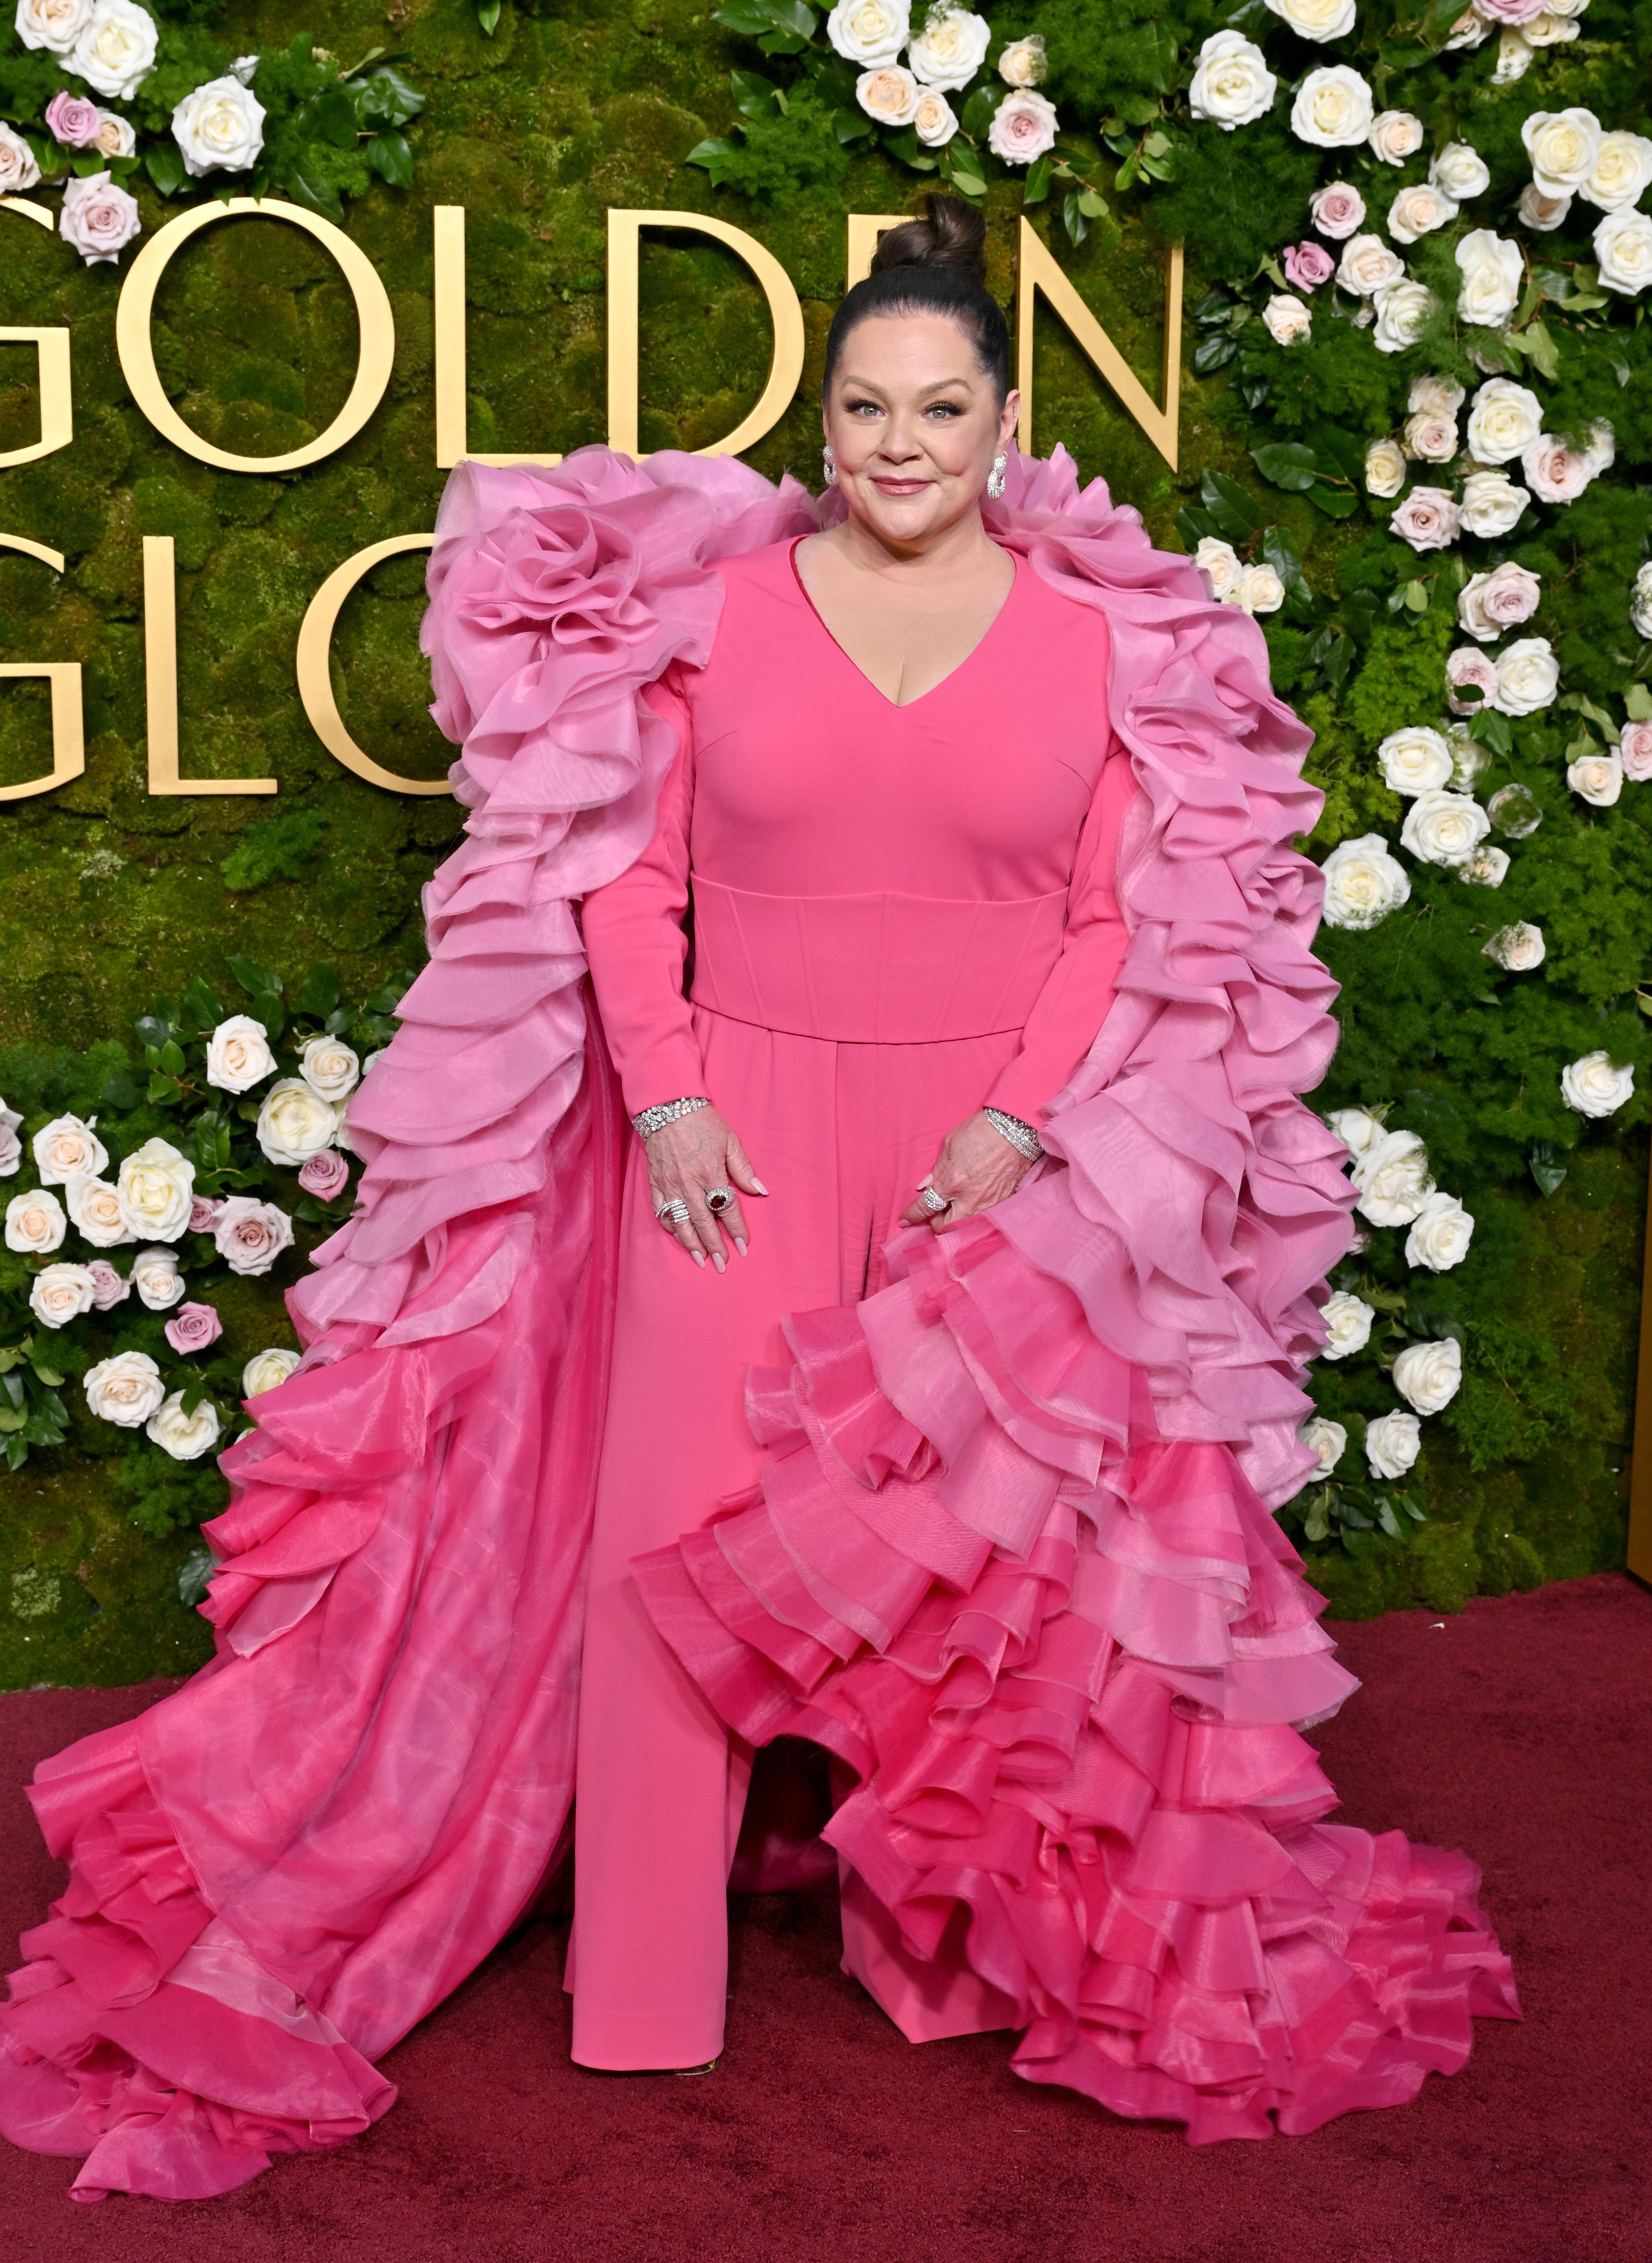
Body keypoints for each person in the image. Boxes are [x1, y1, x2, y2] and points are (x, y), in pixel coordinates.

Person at [0, 199, 1516, 2201]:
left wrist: (1032, 1125)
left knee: (963, 1568)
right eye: (869, 405)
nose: (903, 443)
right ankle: (644, 1984)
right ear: (824, 415)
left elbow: (1112, 919)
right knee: (670, 1547)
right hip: (737, 1138)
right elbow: (627, 875)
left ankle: (939, 1959)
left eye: (943, 406)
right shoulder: (711, 617)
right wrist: (678, 1101)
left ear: (1004, 417)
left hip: (985, 1153)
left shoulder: (1101, 644)